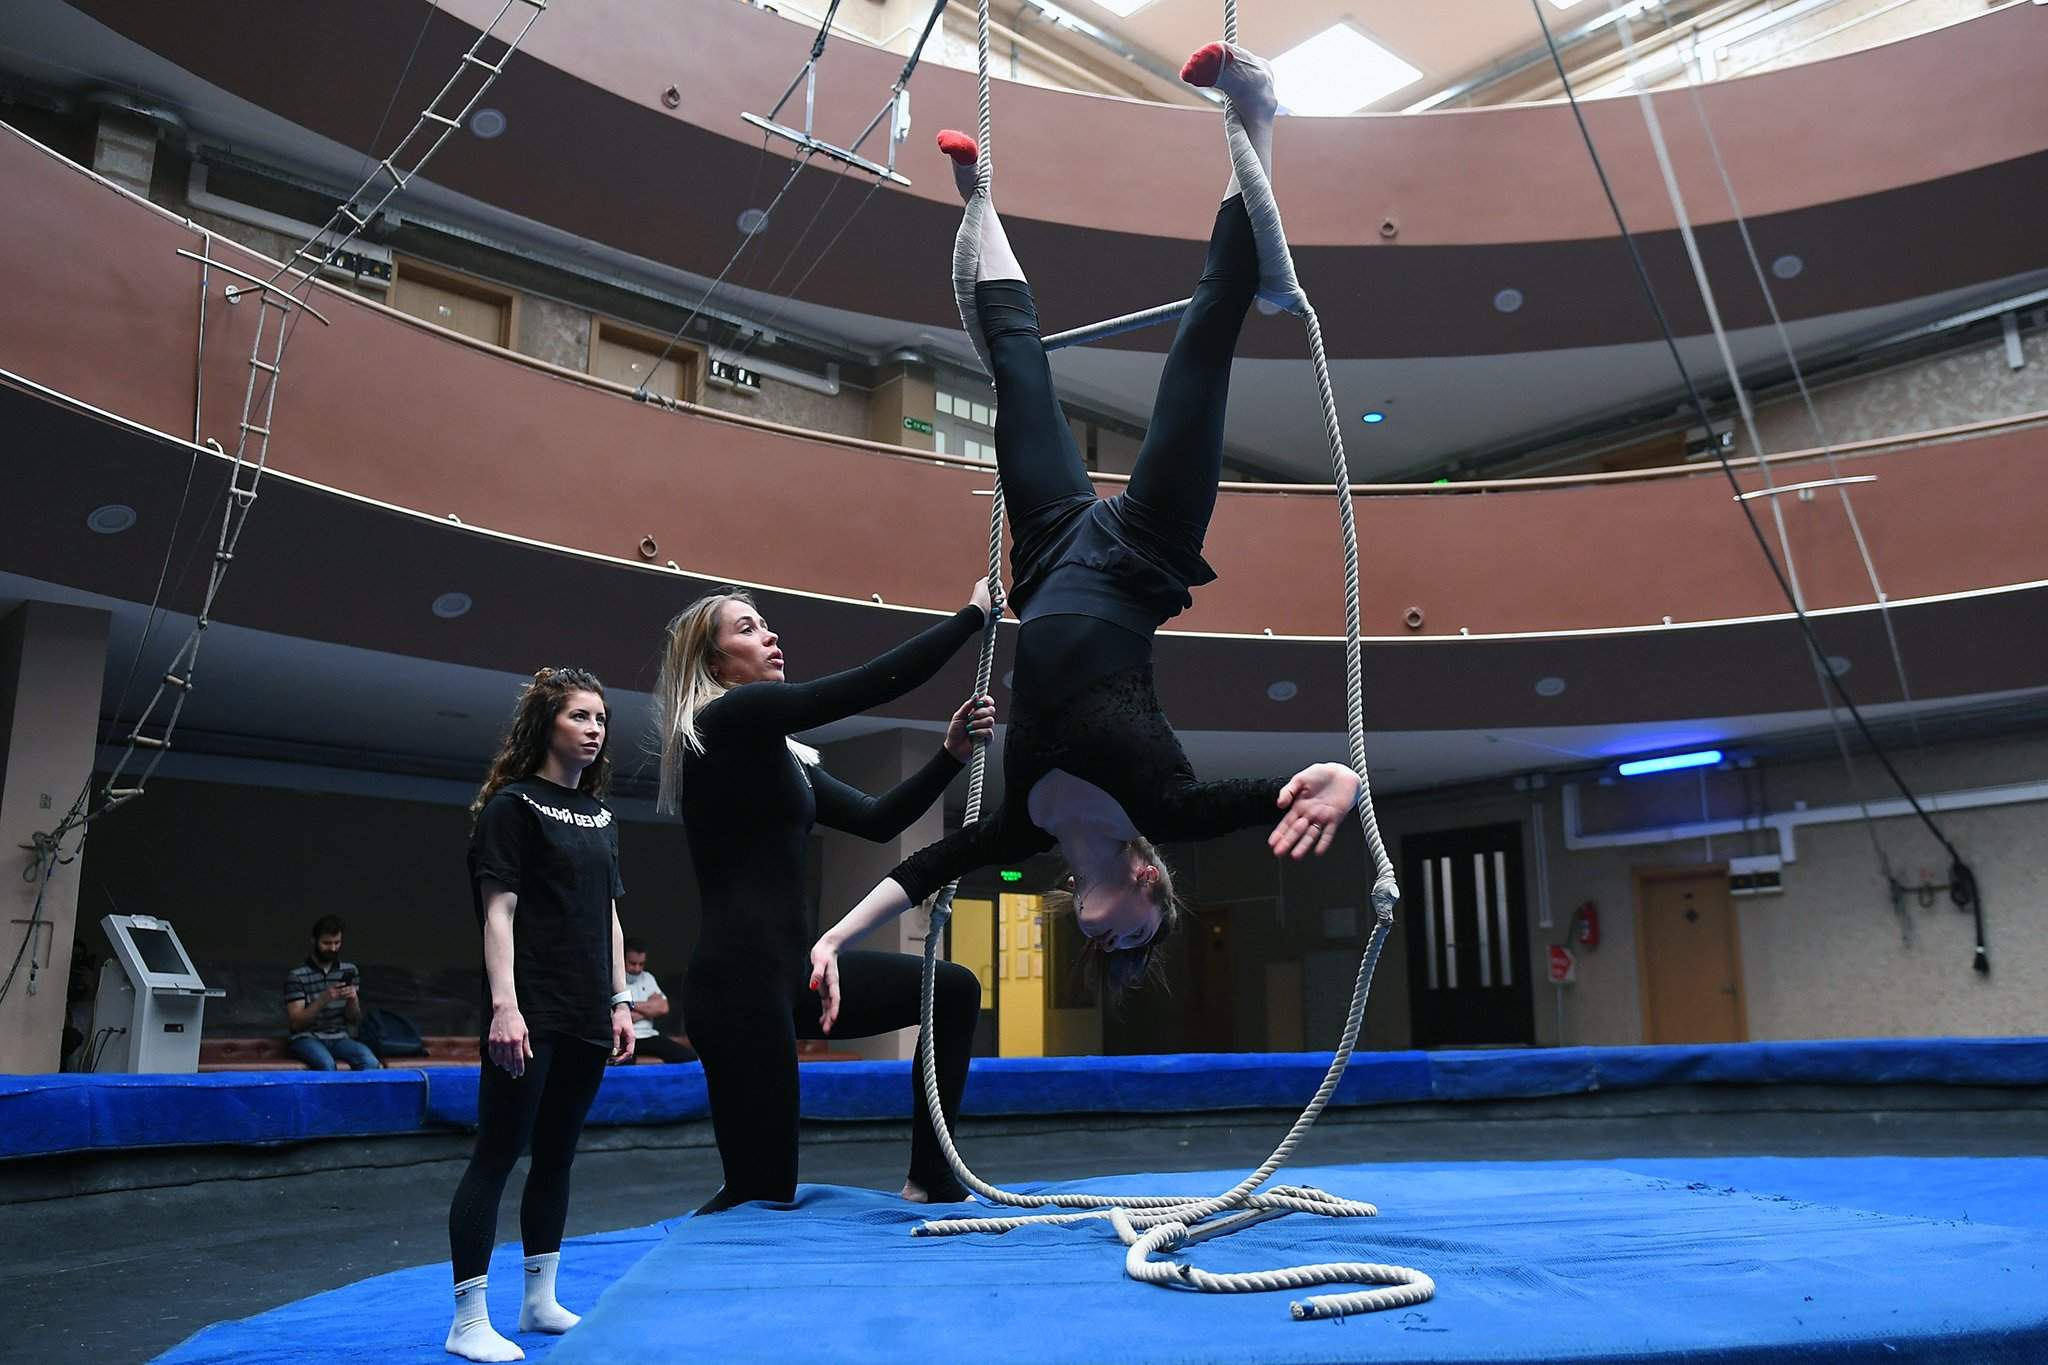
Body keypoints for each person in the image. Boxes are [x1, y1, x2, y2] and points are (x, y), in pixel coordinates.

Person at [810, 43, 1363, 1018]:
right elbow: (1251, 800)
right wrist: (1332, 782)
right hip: (1142, 552)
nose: (1107, 941)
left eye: (1103, 947)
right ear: (1148, 888)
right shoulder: (1160, 807)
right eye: (1133, 939)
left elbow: (923, 866)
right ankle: (1254, 112)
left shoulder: (1020, 826)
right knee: (1201, 340)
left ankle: (978, 202)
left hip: (1053, 549)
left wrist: (832, 936)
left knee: (1016, 371)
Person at [654, 581, 996, 1214]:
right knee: (762, 1193)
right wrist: (971, 616)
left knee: (953, 989)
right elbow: (872, 684)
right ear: (714, 663)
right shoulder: (724, 720)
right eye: (748, 629)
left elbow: (877, 817)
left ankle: (932, 1176)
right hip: (736, 988)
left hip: (794, 975)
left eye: (767, 624)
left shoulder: (780, 753)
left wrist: (949, 757)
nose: (771, 635)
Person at [445, 668, 637, 1363]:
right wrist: (505, 1007)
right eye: (580, 716)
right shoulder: (512, 806)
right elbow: (499, 910)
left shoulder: (602, 817)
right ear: (545, 724)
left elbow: (611, 914)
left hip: (588, 1010)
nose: (594, 728)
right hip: (529, 1010)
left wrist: (619, 999)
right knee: (498, 1154)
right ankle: (467, 1318)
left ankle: (538, 1299)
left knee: (557, 1155)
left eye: (601, 719)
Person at [283, 915, 381, 1071]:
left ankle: (359, 1095)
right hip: (306, 1038)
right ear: (313, 941)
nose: (333, 948)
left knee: (369, 1060)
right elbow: (296, 1024)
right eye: (327, 943)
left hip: (339, 1037)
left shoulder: (349, 970)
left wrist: (352, 1000)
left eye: (337, 943)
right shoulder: (297, 975)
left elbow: (354, 1020)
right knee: (326, 1064)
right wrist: (322, 1000)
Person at [620, 937, 695, 1063]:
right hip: (624, 1039)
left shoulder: (648, 978)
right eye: (632, 963)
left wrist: (626, 1005)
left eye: (641, 964)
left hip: (649, 1035)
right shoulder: (613, 980)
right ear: (622, 960)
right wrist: (648, 1009)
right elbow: (611, 1013)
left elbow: (663, 1007)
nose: (637, 969)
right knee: (617, 1062)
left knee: (688, 1057)